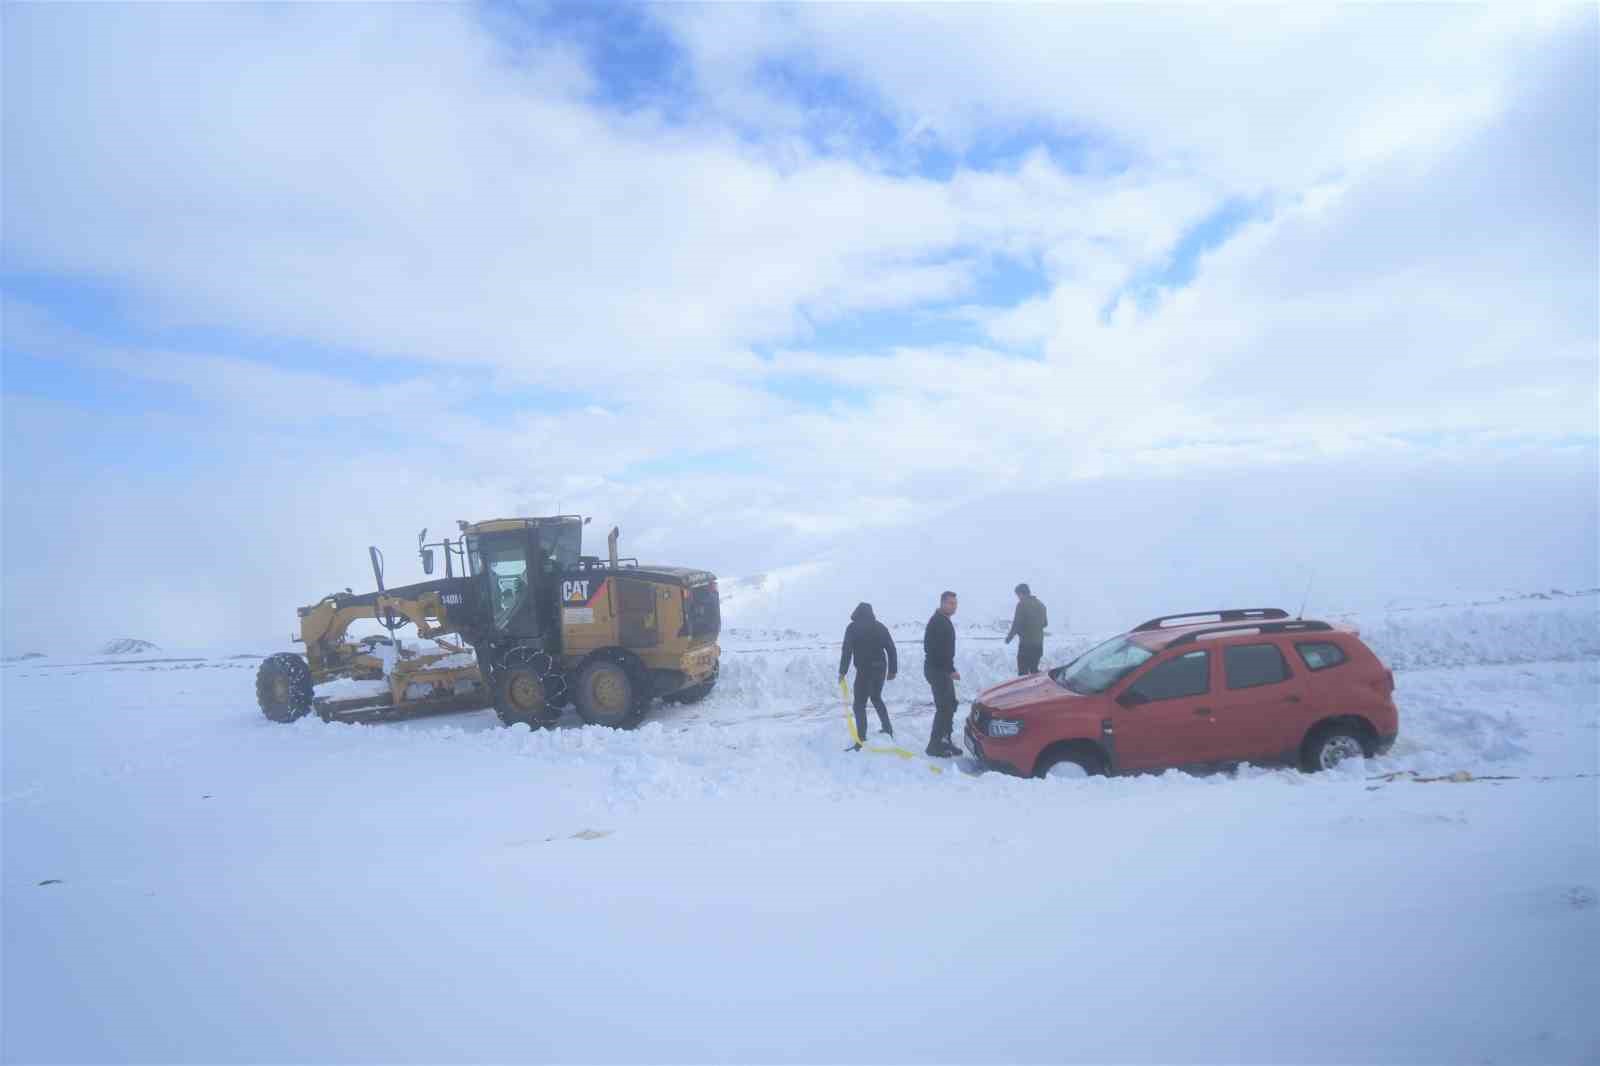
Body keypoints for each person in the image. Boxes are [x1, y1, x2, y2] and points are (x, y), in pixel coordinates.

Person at [838, 602, 897, 745]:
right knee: (876, 697)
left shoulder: (852, 628)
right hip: (880, 668)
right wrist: (892, 670)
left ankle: (861, 737)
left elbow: (847, 651)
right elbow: (891, 648)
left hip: (865, 671)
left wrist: (842, 671)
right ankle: (887, 728)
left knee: (859, 704)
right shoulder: (880, 627)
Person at [923, 590, 961, 757]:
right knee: (944, 707)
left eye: (955, 604)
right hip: (937, 670)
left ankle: (945, 740)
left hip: (941, 669)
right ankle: (934, 745)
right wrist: (949, 669)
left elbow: (945, 650)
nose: (954, 607)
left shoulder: (943, 620)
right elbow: (936, 651)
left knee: (950, 704)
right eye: (951, 603)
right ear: (943, 603)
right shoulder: (938, 622)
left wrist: (949, 669)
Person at [1005, 582, 1049, 675]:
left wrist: (1009, 638)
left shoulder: (1022, 604)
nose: (1018, 597)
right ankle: (1036, 689)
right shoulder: (1041, 605)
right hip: (1038, 645)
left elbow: (1016, 624)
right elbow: (1045, 624)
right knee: (1034, 671)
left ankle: (1025, 689)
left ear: (1021, 593)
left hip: (1026, 645)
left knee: (1023, 674)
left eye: (1018, 595)